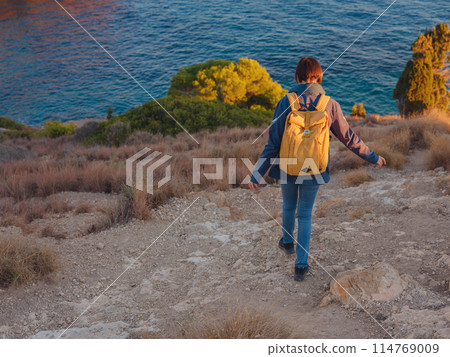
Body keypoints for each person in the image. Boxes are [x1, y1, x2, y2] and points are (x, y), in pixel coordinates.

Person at [248, 57, 386, 281]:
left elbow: (272, 143)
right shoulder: (330, 105)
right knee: (304, 215)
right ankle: (301, 266)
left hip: (288, 166)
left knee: (288, 205)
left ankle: (286, 243)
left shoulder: (285, 103)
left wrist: (256, 174)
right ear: (319, 77)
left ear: (297, 77)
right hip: (314, 168)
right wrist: (373, 157)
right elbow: (349, 138)